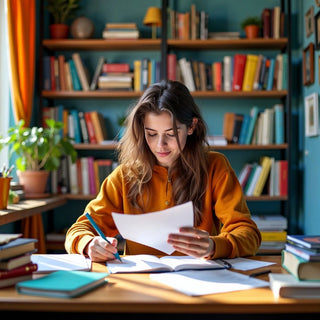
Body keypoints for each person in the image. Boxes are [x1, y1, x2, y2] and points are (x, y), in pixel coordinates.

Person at [65, 80, 261, 262]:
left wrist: (214, 245)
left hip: (201, 281)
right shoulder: (124, 176)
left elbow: (248, 234)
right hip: (140, 284)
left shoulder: (215, 167)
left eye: (171, 133)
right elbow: (79, 229)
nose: (161, 145)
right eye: (151, 134)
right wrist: (88, 244)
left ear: (191, 126)